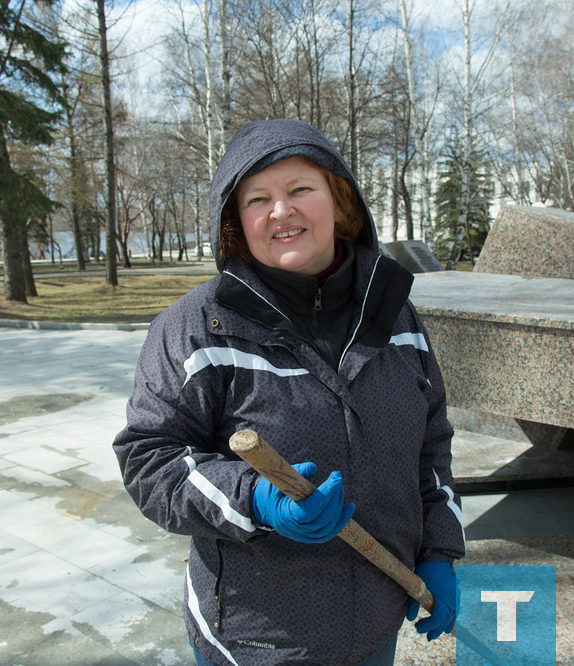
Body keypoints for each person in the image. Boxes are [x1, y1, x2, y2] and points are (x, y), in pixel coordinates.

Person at [113, 119, 465, 666]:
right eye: (258, 199)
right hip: (256, 640)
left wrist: (440, 549)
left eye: (301, 189)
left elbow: (431, 442)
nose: (282, 211)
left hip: (377, 620)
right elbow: (149, 461)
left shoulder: (394, 313)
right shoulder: (198, 328)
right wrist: (257, 499)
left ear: (340, 203)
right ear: (236, 223)